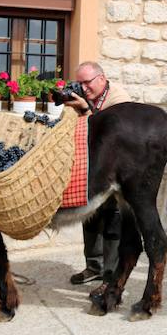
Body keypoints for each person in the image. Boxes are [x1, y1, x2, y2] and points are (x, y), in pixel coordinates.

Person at [66, 61, 132, 287]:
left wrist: (85, 110)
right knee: (91, 216)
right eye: (80, 83)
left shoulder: (119, 99)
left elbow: (109, 134)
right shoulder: (88, 96)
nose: (84, 88)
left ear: (102, 78)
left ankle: (110, 274)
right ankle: (94, 266)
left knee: (113, 219)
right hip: (91, 167)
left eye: (88, 82)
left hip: (114, 170)